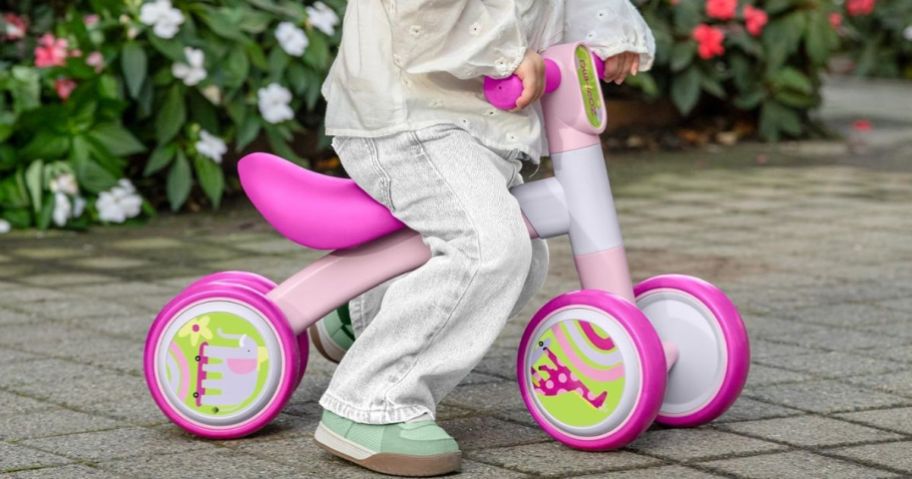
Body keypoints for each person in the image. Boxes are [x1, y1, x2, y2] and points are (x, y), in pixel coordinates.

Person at [311, 1, 655, 475]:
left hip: (484, 121)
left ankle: (364, 311)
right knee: (489, 249)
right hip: (407, 113)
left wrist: (611, 31)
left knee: (524, 257)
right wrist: (504, 53)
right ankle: (371, 400)